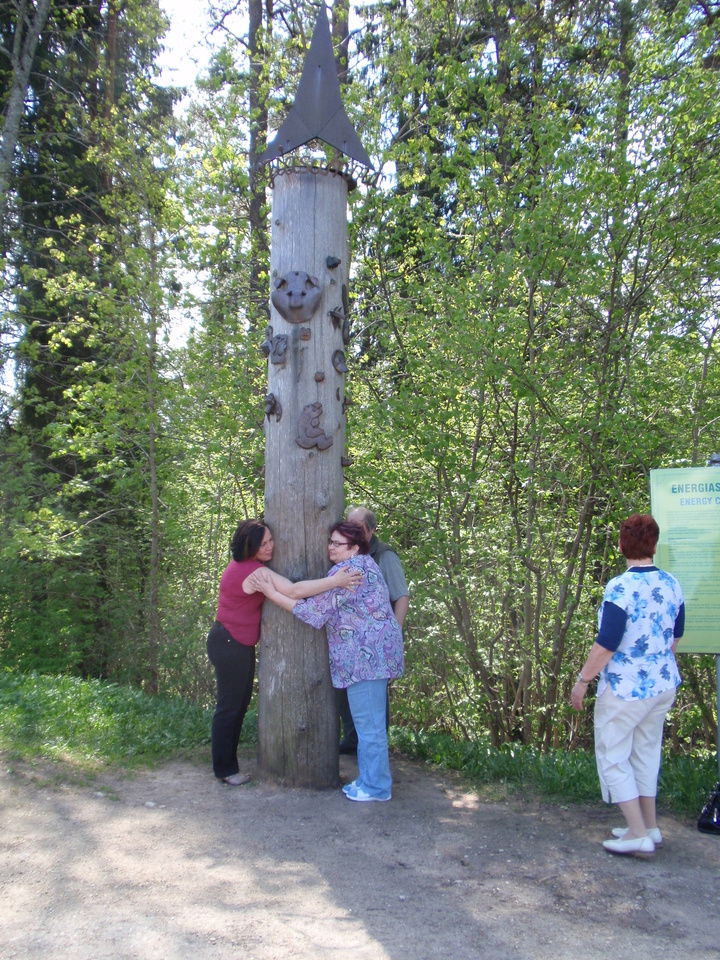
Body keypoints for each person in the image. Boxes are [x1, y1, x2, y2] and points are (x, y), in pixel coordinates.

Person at [248, 520, 404, 802]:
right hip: (370, 656)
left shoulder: (351, 572)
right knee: (367, 724)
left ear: (354, 548)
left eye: (337, 543)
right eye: (330, 542)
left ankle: (377, 787)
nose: (331, 547)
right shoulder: (362, 565)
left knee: (370, 727)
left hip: (366, 659)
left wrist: (271, 593)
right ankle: (369, 780)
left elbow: (312, 611)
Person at [207, 519, 360, 785]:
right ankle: (225, 769)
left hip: (233, 643)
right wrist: (335, 581)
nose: (270, 546)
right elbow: (294, 590)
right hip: (229, 644)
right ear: (249, 547)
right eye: (263, 544)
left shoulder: (250, 567)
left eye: (270, 540)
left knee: (237, 705)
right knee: (230, 707)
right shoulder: (252, 571)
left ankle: (226, 766)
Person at [570, 513, 685, 858]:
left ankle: (636, 833)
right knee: (646, 752)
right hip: (663, 684)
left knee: (612, 754)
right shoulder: (671, 583)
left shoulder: (620, 587)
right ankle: (649, 827)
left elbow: (607, 643)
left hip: (626, 689)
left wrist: (583, 681)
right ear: (654, 545)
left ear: (621, 545)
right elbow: (675, 636)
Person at [336, 506, 409, 752]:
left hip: (378, 642)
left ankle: (376, 756)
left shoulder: (384, 555)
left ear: (372, 530)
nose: (352, 530)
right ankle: (353, 742)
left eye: (358, 527)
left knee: (374, 702)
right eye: (349, 525)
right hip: (350, 644)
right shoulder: (345, 553)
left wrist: (394, 638)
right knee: (347, 695)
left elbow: (401, 597)